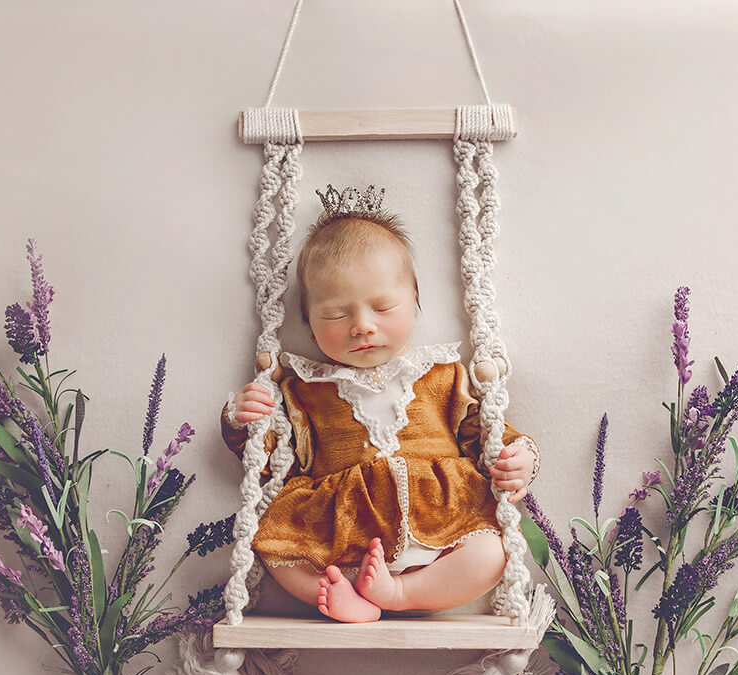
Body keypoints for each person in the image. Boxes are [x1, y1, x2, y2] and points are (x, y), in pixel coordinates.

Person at [223, 185, 537, 623]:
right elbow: (273, 460)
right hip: (342, 527)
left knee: (493, 551)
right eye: (336, 315)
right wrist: (242, 419)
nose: (362, 326)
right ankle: (348, 598)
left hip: (443, 518)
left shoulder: (443, 375)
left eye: (384, 307)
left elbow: (483, 431)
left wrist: (519, 456)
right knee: (274, 548)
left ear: (415, 304)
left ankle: (403, 592)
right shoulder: (304, 390)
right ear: (310, 327)